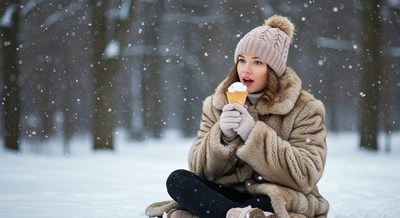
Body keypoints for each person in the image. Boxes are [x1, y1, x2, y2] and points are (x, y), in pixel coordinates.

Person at [145, 15, 329, 218]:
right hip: (228, 195)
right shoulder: (216, 103)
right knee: (178, 180)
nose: (246, 69)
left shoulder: (306, 108)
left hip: (274, 195)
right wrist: (223, 137)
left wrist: (254, 136)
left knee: (266, 202)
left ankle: (216, 213)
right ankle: (233, 214)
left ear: (273, 70)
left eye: (257, 62)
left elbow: (306, 174)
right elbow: (199, 169)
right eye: (242, 60)